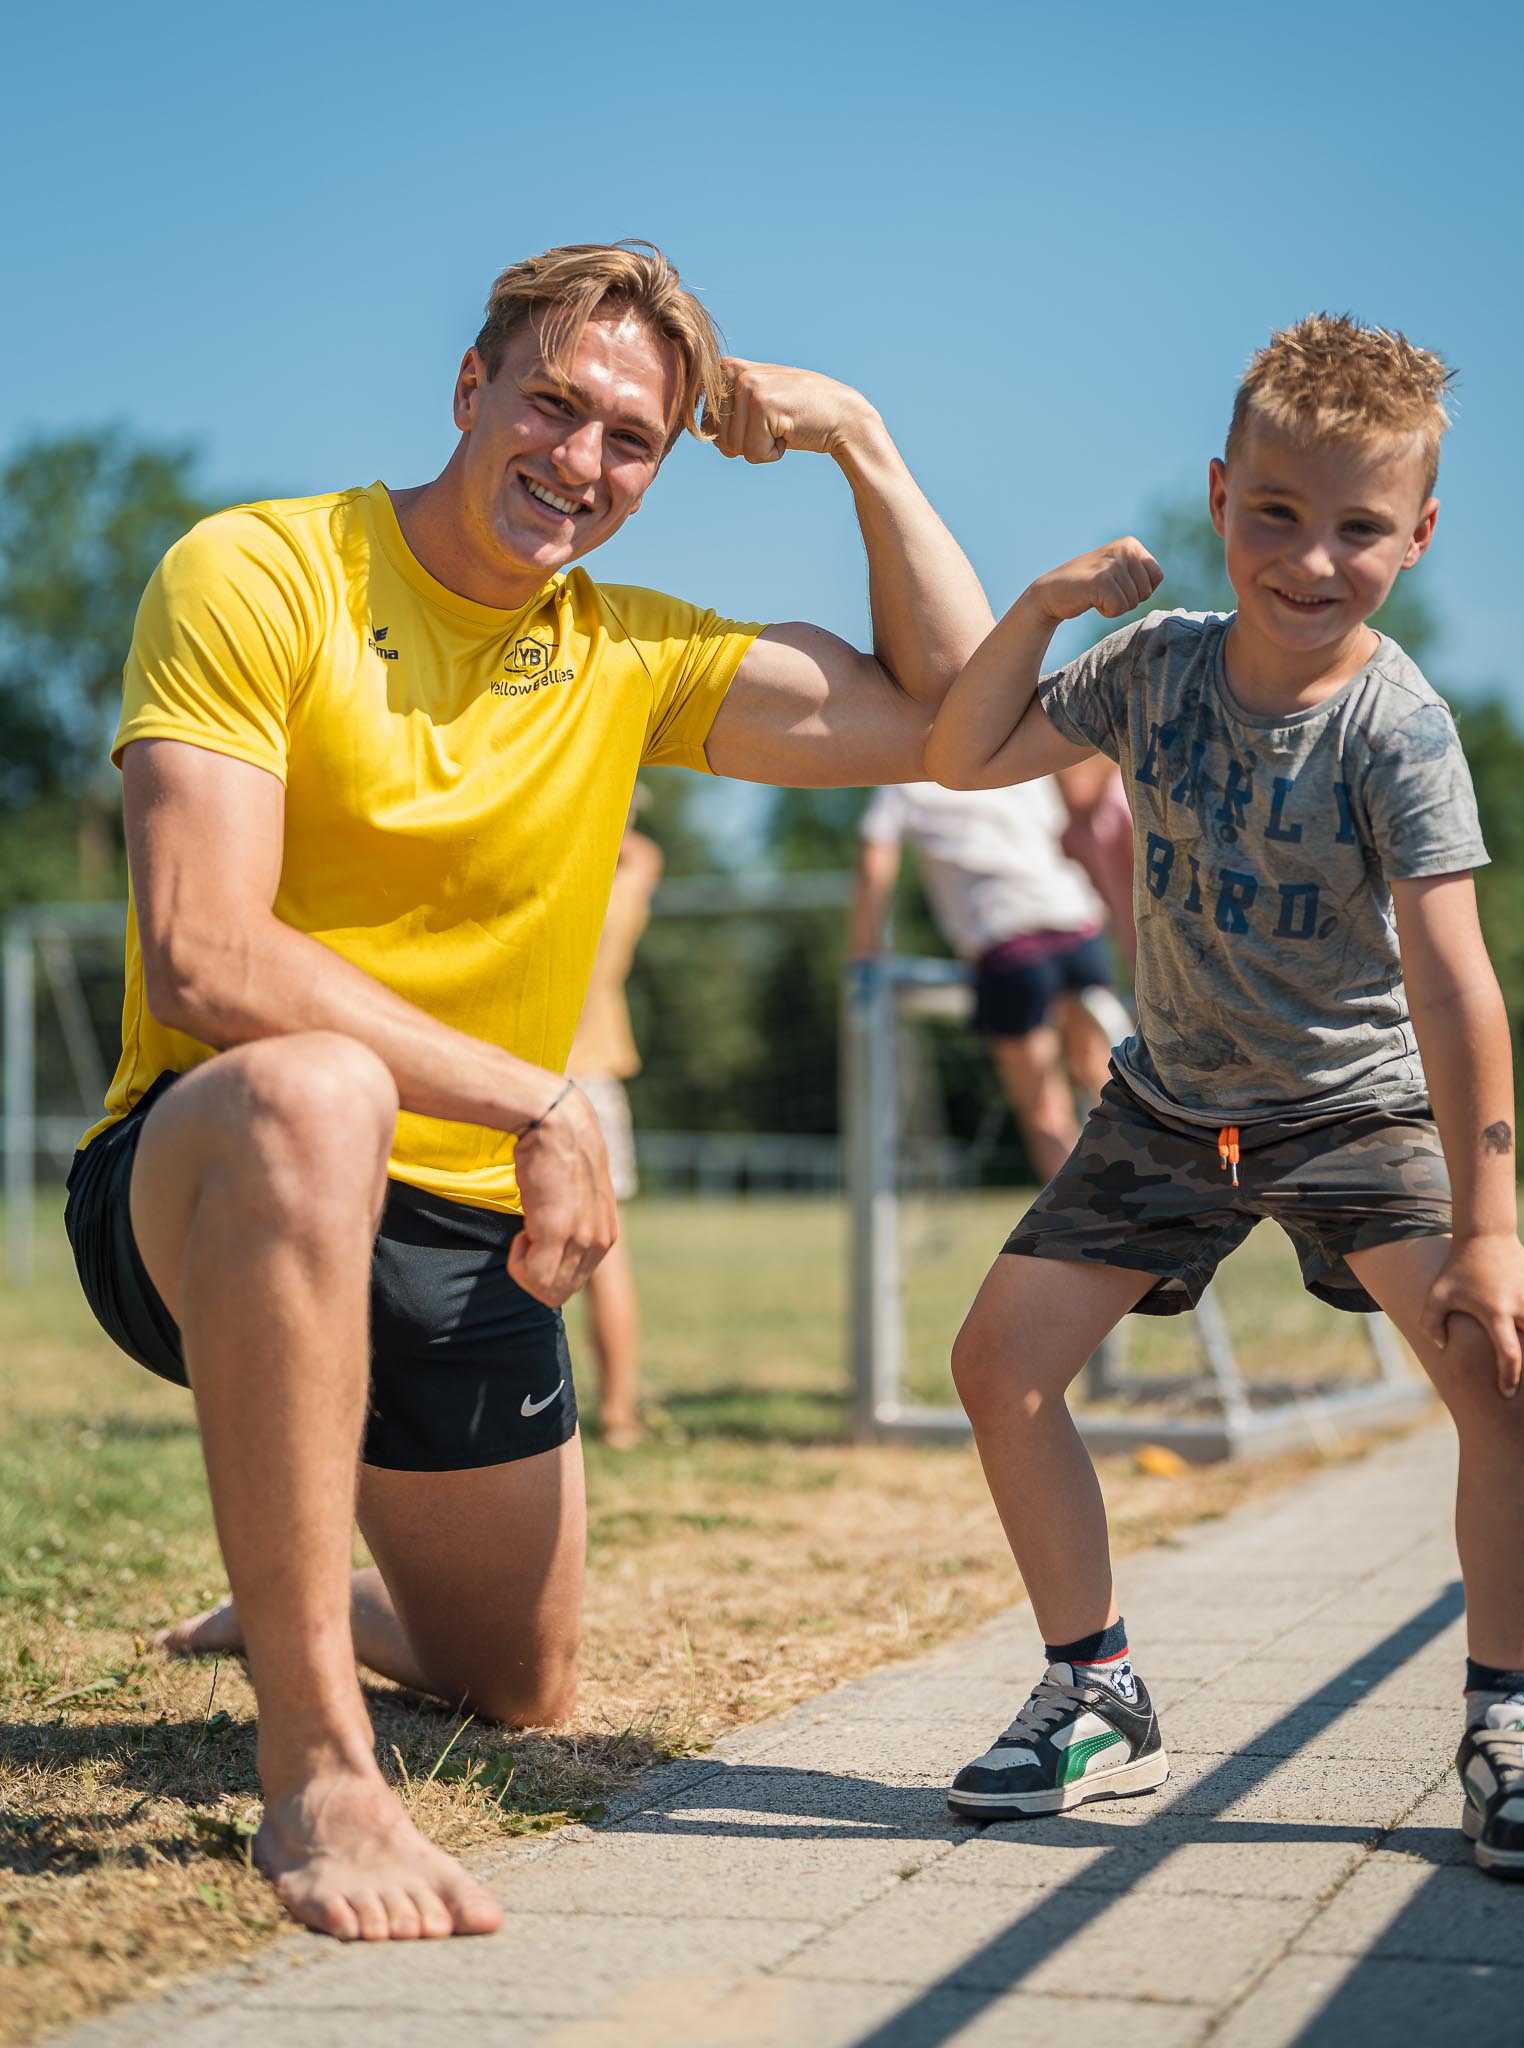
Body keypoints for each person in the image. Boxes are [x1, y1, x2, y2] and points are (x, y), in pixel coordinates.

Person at [62, 241, 992, 1942]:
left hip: (457, 1228)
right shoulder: (256, 570)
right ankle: (318, 1756)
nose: (581, 458)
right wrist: (535, 1095)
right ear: (469, 387)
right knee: (317, 1092)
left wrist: (860, 437)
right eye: (552, 401)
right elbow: (203, 948)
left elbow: (960, 727)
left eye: (631, 437)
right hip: (206, 1176)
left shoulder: (630, 654)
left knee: (524, 1680)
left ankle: (309, 1602)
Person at [923, 315, 1524, 1882]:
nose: (1310, 559)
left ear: (1415, 536)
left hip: (1350, 1108)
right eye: (1274, 516)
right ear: (1218, 497)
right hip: (1170, 1104)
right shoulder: (1150, 672)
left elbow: (1452, 985)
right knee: (997, 1363)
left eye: (1357, 528)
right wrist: (1039, 604)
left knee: (1506, 1381)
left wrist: (1488, 1229)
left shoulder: (1395, 729)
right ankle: (1093, 1688)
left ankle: (1508, 1724)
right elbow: (963, 753)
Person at [848, 771, 1131, 1180]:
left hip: (1010, 942)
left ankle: (1088, 1229)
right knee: (1104, 1088)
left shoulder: (903, 779)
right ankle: (1142, 1202)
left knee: (1045, 1113)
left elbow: (873, 865)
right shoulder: (1008, 755)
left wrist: (864, 953)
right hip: (1078, 929)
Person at [566, 820, 662, 1447]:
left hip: (506, 1068)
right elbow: (643, 852)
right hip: (592, 1079)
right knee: (608, 1255)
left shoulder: (549, 878)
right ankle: (619, 1412)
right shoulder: (618, 892)